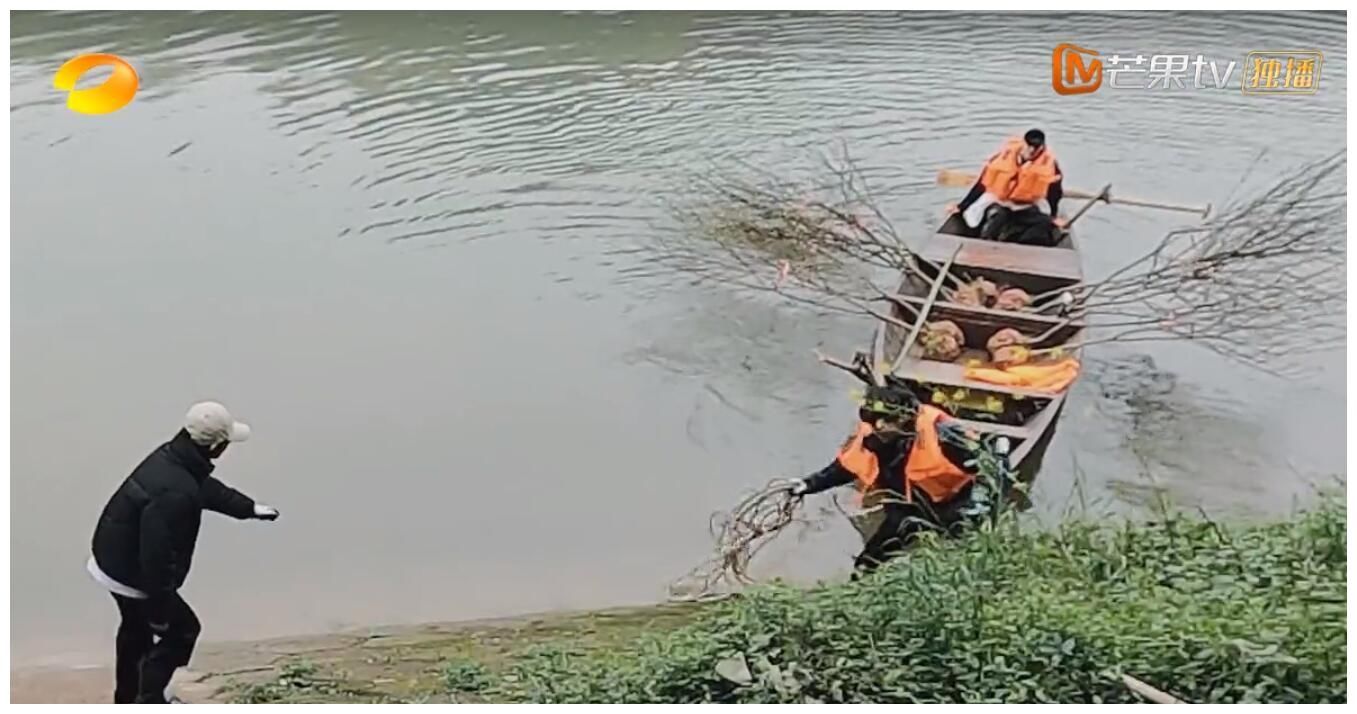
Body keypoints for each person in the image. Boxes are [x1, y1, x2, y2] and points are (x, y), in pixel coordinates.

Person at [88, 401, 279, 704]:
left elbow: (203, 488)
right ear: (215, 446)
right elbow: (158, 558)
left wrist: (248, 508)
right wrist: (161, 612)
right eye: (227, 442)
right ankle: (149, 700)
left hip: (110, 555)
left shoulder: (174, 457)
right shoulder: (175, 492)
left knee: (135, 629)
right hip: (130, 570)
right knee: (181, 632)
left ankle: (125, 699)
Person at [789, 385, 995, 572]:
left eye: (884, 423)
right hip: (905, 509)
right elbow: (846, 467)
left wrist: (980, 510)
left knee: (959, 564)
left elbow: (989, 469)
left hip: (952, 505)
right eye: (873, 422)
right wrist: (809, 484)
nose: (878, 428)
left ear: (903, 420)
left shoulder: (944, 435)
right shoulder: (873, 436)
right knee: (866, 565)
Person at [948, 129, 1065, 246]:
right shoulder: (1003, 157)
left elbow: (1054, 192)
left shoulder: (1049, 165)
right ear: (1023, 143)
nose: (1031, 151)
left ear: (1042, 147)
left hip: (1027, 202)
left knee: (1045, 223)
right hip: (1001, 198)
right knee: (982, 217)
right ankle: (982, 240)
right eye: (1029, 146)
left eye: (1036, 148)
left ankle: (1020, 244)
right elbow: (983, 183)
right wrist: (962, 206)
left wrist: (1053, 215)